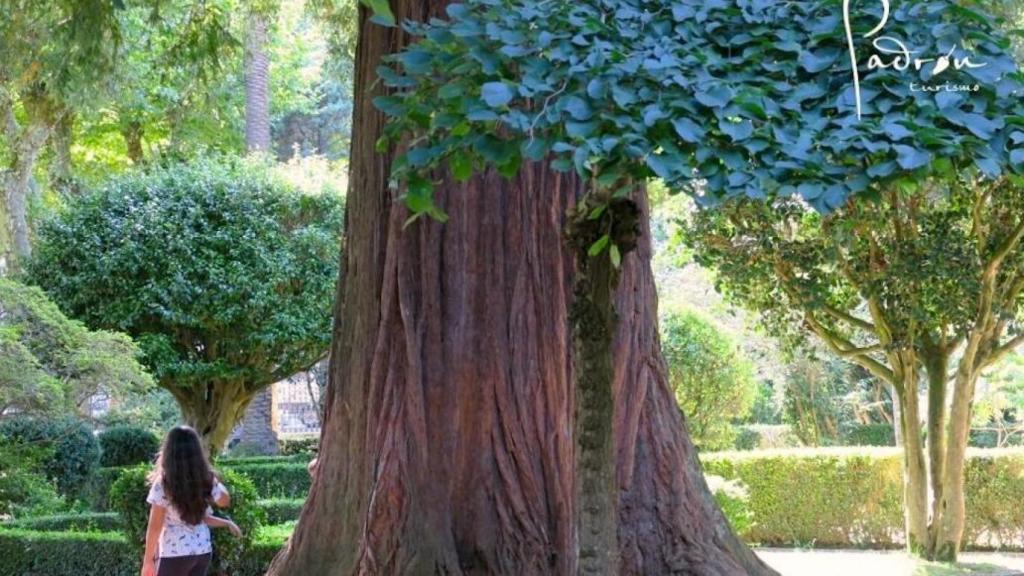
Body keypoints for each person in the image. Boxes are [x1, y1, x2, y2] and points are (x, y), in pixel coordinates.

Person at [141, 426, 242, 576]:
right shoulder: (205, 479)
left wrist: (148, 561)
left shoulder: (164, 484)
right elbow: (224, 501)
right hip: (201, 551)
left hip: (174, 553)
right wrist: (213, 481)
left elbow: (155, 526)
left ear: (169, 452)